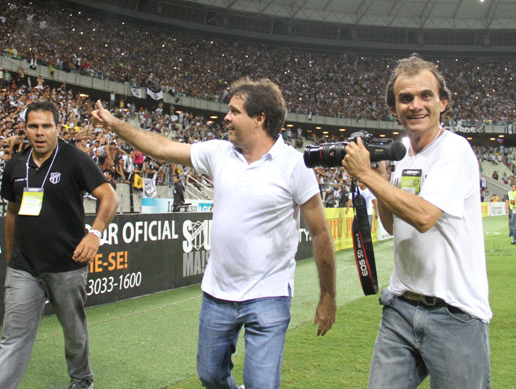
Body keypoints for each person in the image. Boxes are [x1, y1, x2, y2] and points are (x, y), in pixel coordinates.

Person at [93, 77, 336, 389]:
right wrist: (115, 124)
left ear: (259, 118)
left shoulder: (294, 165)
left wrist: (327, 296)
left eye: (235, 111)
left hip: (269, 293)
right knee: (210, 375)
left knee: (261, 384)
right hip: (218, 293)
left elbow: (320, 234)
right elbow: (162, 147)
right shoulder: (219, 152)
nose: (226, 117)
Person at [341, 53, 491, 388]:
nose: (416, 105)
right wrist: (380, 180)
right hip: (401, 305)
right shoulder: (403, 154)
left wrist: (367, 175)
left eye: (426, 95)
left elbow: (424, 217)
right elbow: (394, 226)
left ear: (443, 103)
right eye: (405, 98)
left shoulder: (454, 150)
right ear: (394, 109)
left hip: (454, 310)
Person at [0, 101, 119, 389]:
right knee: (12, 338)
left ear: (57, 128)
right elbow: (12, 213)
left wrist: (94, 234)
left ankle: (81, 379)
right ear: (25, 129)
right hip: (24, 268)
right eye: (33, 126)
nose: (40, 132)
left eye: (46, 126)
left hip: (67, 265)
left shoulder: (74, 159)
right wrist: (10, 255)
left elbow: (110, 197)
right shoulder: (15, 164)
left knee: (74, 331)